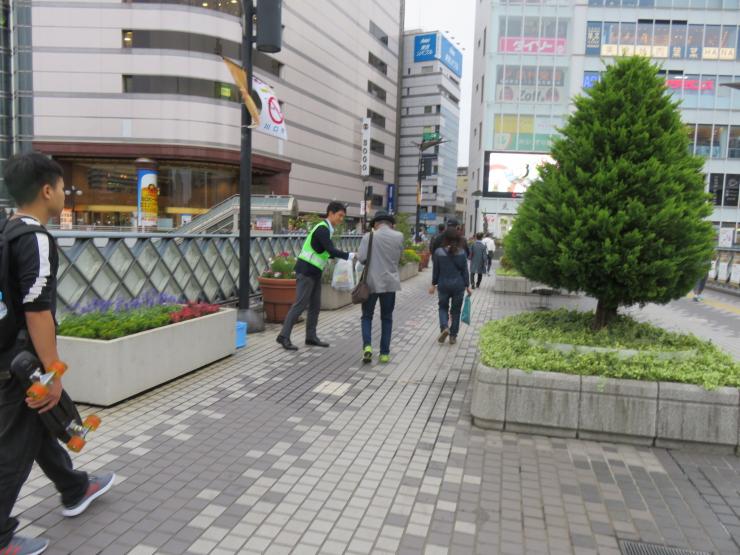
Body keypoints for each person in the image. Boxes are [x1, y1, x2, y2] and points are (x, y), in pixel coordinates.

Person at [0, 152, 115, 555]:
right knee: (14, 446)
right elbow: (38, 312)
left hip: (6, 357)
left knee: (40, 428)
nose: (65, 193)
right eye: (63, 186)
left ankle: (75, 487)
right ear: (47, 190)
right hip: (22, 366)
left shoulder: (6, 229)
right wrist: (53, 372)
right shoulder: (35, 238)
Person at [277, 202, 353, 351]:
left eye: (343, 216)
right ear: (331, 213)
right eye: (340, 215)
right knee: (300, 305)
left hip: (314, 271)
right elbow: (330, 249)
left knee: (315, 305)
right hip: (306, 271)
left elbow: (326, 251)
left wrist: (339, 258)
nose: (341, 219)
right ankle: (283, 336)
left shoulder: (326, 230)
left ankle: (311, 337)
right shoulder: (322, 229)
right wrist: (349, 256)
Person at [358, 211, 404, 364]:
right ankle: (384, 354)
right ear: (390, 223)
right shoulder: (399, 236)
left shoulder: (368, 237)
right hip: (390, 283)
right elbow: (399, 257)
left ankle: (367, 347)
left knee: (367, 316)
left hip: (370, 283)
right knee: (387, 318)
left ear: (376, 224)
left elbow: (362, 259)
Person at [429, 227, 471, 346]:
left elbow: (436, 271)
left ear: (445, 238)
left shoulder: (438, 252)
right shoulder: (462, 252)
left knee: (443, 307)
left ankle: (444, 328)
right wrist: (468, 286)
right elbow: (464, 271)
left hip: (443, 284)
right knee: (456, 311)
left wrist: (433, 284)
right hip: (458, 285)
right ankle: (453, 336)